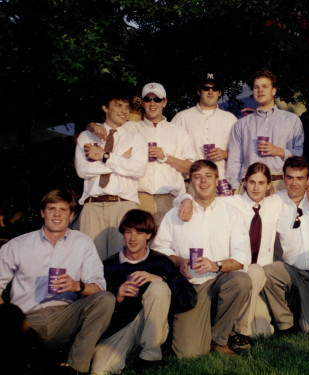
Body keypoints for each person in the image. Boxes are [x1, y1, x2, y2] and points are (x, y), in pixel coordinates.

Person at [173, 162, 309, 343]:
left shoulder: (274, 203)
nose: (256, 188)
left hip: (261, 282)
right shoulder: (230, 202)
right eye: (252, 182)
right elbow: (201, 196)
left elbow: (298, 189)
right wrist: (186, 199)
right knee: (254, 272)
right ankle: (239, 332)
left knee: (262, 331)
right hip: (238, 275)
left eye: (261, 183)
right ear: (244, 183)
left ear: (269, 185)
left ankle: (238, 324)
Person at [0, 190, 114, 374]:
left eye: (63, 210)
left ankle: (76, 368)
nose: (57, 214)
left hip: (65, 317)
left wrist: (77, 286)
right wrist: (9, 318)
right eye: (51, 208)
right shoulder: (18, 245)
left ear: (72, 215)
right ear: (42, 213)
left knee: (106, 299)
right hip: (28, 319)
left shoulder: (82, 243)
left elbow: (100, 287)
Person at [151, 160, 251, 357]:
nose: (203, 181)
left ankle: (219, 340)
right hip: (190, 286)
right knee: (188, 354)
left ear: (216, 180)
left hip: (220, 280)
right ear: (190, 183)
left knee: (241, 281)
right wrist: (180, 261)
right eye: (197, 177)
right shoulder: (175, 214)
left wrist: (216, 264)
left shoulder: (232, 214)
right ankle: (195, 329)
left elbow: (241, 258)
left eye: (208, 176)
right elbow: (159, 251)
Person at [91, 209, 196, 375]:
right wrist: (116, 295)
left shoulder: (161, 261)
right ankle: (133, 354)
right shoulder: (109, 265)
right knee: (99, 370)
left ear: (148, 235)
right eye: (128, 232)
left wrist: (161, 280)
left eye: (139, 232)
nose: (133, 238)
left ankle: (150, 357)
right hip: (124, 328)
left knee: (158, 287)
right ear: (123, 234)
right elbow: (97, 309)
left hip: (154, 327)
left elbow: (189, 299)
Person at [89, 83, 196, 226]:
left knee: (166, 247)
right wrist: (92, 125)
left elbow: (191, 168)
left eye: (157, 99)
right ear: (142, 103)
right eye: (147, 99)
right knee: (138, 245)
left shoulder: (178, 131)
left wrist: (166, 157)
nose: (152, 104)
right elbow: (101, 128)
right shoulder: (130, 127)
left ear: (164, 102)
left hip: (170, 198)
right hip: (139, 198)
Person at [263, 156, 309, 337]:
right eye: (290, 177)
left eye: (300, 178)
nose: (294, 183)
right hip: (292, 271)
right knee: (267, 272)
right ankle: (285, 323)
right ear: (284, 178)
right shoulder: (275, 201)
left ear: (308, 180)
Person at [75, 89, 148, 260]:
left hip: (123, 206)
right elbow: (82, 170)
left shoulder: (136, 138)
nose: (124, 111)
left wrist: (104, 156)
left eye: (127, 107)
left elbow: (138, 169)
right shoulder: (87, 136)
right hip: (92, 206)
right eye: (118, 105)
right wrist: (119, 161)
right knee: (91, 263)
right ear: (105, 108)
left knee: (122, 263)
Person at [226, 69, 304, 192]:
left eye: (264, 86)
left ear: (274, 90)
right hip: (250, 187)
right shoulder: (241, 125)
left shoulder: (292, 120)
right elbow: (234, 161)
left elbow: (300, 155)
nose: (260, 90)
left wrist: (279, 151)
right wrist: (235, 187)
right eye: (256, 87)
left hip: (281, 185)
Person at [172, 73, 237, 180]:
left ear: (219, 92)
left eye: (215, 88)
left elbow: (242, 152)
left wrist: (225, 154)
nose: (210, 92)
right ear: (199, 91)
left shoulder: (230, 119)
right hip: (191, 182)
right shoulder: (181, 118)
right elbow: (171, 152)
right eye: (206, 88)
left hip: (221, 183)